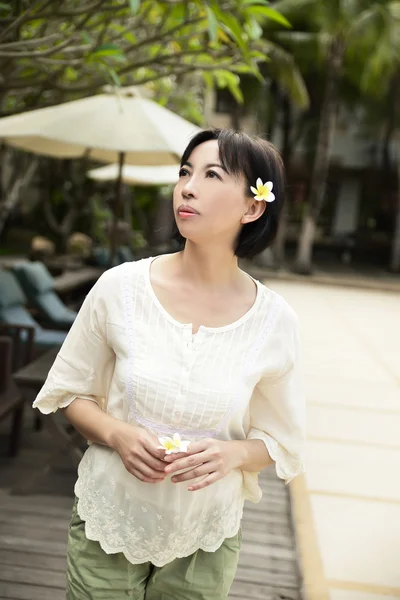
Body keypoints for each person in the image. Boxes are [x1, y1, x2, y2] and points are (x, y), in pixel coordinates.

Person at [33, 128, 306, 600]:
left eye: (211, 174)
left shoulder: (275, 321)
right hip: (111, 518)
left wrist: (233, 455)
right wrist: (117, 434)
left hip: (207, 535)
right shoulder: (119, 288)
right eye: (185, 172)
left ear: (252, 206)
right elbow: (69, 393)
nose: (188, 186)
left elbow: (280, 441)